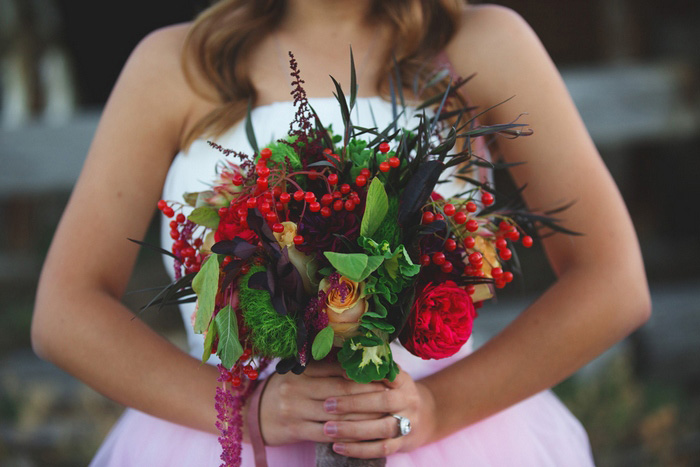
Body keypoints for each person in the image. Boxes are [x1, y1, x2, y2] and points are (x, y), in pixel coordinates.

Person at [31, 0, 651, 465]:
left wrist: (437, 409)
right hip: (224, 442)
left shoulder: (479, 44)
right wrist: (246, 411)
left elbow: (613, 284)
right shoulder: (178, 64)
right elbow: (66, 311)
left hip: (444, 433)